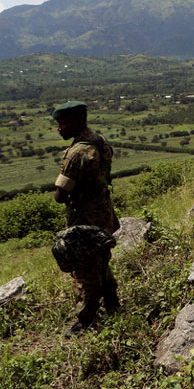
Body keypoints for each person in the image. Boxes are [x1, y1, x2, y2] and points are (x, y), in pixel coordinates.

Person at [52, 100, 120, 335]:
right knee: (101, 260)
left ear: (76, 121)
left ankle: (86, 319)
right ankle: (112, 303)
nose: (59, 129)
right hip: (104, 212)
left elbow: (60, 196)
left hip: (84, 220)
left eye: (62, 123)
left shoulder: (77, 153)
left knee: (84, 271)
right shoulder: (99, 141)